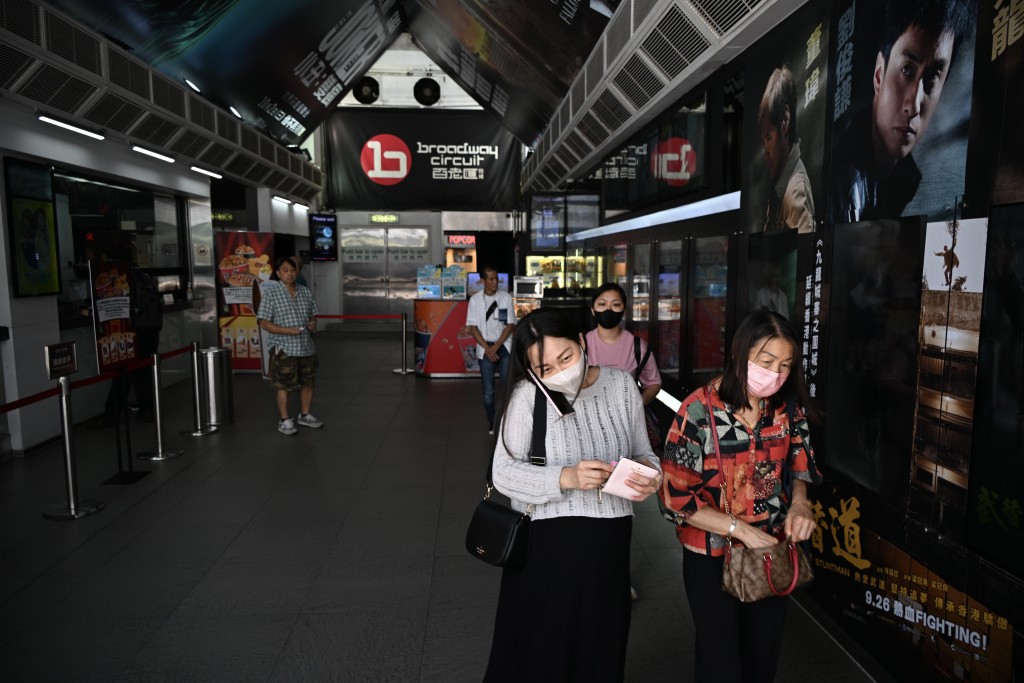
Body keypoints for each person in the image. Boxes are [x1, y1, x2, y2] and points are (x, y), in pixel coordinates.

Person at [484, 308, 662, 682]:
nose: (559, 371)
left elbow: (643, 451)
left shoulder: (621, 386)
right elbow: (501, 473)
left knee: (601, 637)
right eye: (545, 368)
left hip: (609, 536)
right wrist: (565, 477)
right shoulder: (526, 396)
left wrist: (649, 476)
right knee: (545, 643)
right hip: (547, 540)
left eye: (565, 357)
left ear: (582, 341)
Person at [660, 310, 822, 683]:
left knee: (761, 657)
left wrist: (799, 502)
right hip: (711, 555)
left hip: (770, 550)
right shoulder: (698, 410)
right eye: (766, 362)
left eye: (785, 364)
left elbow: (800, 463)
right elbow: (673, 498)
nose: (776, 374)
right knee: (721, 663)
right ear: (739, 353)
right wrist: (741, 529)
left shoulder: (786, 408)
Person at [830, 0, 971, 223]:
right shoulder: (840, 181)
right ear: (879, 75)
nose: (914, 106)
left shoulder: (903, 177)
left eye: (933, 77)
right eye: (907, 70)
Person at [257, 257, 322, 435]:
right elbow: (264, 322)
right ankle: (284, 420)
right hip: (283, 348)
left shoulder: (305, 291)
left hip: (306, 347)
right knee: (284, 385)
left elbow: (312, 316)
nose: (290, 273)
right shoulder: (272, 293)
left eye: (292, 270)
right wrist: (285, 331)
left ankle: (305, 415)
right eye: (285, 270)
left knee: (308, 383)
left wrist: (312, 324)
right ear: (278, 274)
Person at [758, 66, 815, 232]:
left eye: (769, 137)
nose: (765, 153)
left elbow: (805, 255)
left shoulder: (796, 190)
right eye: (763, 141)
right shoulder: (781, 186)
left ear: (785, 120)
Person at [465, 265, 514, 433]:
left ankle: (507, 421)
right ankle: (492, 420)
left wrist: (497, 347)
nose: (495, 282)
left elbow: (509, 325)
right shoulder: (475, 300)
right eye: (491, 279)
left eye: (496, 278)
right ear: (483, 281)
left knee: (507, 387)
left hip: (504, 347)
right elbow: (473, 328)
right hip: (485, 348)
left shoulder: (505, 298)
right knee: (488, 390)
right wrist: (488, 349)